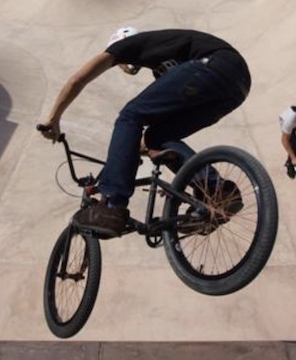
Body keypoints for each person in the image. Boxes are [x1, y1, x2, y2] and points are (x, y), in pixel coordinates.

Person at [39, 27, 252, 237]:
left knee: (130, 115)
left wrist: (53, 118)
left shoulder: (124, 46)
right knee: (157, 136)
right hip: (237, 87)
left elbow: (78, 79)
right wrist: (141, 145)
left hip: (215, 64)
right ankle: (217, 190)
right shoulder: (166, 63)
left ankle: (112, 204)